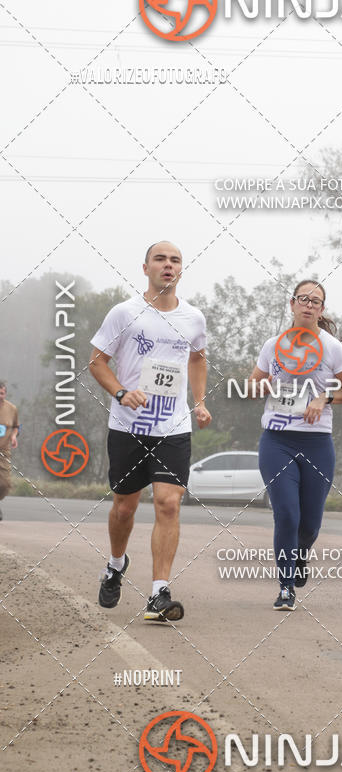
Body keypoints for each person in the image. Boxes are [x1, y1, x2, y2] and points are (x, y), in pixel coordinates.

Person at [89, 241, 211, 622]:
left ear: (181, 269)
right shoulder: (124, 313)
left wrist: (200, 401)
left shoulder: (193, 318)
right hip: (128, 426)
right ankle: (116, 564)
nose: (168, 265)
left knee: (168, 503)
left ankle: (159, 592)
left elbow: (198, 358)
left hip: (173, 426)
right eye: (160, 259)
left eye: (175, 260)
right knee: (124, 507)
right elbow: (96, 362)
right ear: (146, 268)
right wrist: (121, 393)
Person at [248, 280, 342, 611]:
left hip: (317, 443)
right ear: (292, 304)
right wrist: (260, 386)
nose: (308, 305)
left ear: (321, 310)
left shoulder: (331, 347)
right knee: (286, 514)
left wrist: (324, 398)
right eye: (303, 299)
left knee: (309, 524)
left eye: (315, 301)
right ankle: (285, 587)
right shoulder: (273, 345)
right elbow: (252, 385)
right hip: (277, 440)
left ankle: (300, 555)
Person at [0, 381, 20, 521]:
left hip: (4, 451)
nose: (0, 396)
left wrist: (13, 436)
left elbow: (16, 426)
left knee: (5, 484)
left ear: (5, 394)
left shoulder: (12, 409)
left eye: (2, 393)